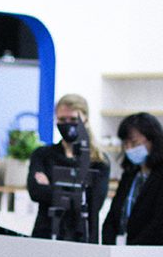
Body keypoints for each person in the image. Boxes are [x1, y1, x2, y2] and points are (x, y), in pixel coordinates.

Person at [26, 94, 109, 242]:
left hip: (83, 238)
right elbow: (35, 192)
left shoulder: (99, 161)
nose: (67, 124)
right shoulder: (43, 155)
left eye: (73, 120)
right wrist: (76, 192)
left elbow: (94, 203)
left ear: (86, 120)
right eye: (62, 120)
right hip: (45, 234)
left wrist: (52, 188)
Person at [101, 112, 163, 246]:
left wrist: (132, 248)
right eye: (125, 144)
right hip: (120, 251)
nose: (128, 148)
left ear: (153, 140)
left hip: (152, 253)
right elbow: (113, 216)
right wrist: (109, 244)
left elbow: (160, 222)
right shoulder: (129, 175)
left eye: (134, 143)